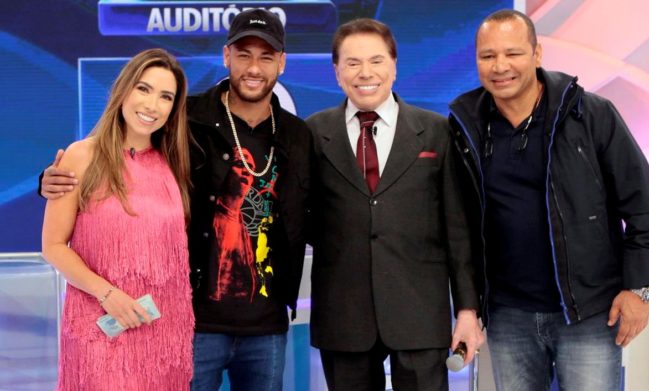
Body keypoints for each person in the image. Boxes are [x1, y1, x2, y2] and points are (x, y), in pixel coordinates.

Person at [40, 9, 313, 391]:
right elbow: (110, 164)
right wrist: (50, 180)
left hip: (254, 325)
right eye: (244, 54)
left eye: (266, 56)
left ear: (282, 63)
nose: (153, 105)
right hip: (192, 321)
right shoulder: (190, 122)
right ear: (226, 56)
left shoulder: (298, 136)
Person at [448, 9, 649, 390]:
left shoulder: (590, 114)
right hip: (507, 317)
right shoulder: (464, 126)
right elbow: (461, 227)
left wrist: (640, 289)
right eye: (488, 56)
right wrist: (469, 306)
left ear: (537, 54)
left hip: (588, 314)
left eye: (513, 53)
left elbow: (644, 207)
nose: (500, 66)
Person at [306, 18, 484, 391]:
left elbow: (459, 230)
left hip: (420, 316)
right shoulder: (313, 133)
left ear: (394, 66)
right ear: (336, 72)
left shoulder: (437, 130)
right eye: (352, 63)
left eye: (376, 60)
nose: (365, 73)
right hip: (344, 319)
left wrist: (468, 309)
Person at [41, 48, 194, 389]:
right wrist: (108, 294)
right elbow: (53, 246)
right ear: (123, 90)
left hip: (164, 334)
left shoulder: (175, 164)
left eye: (165, 96)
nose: (152, 105)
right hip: (99, 326)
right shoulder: (82, 155)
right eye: (143, 89)